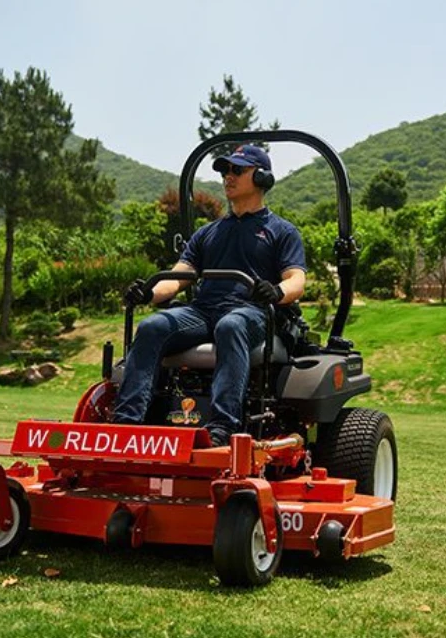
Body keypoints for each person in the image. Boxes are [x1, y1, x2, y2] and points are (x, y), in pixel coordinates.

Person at [113, 144, 307, 447]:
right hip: (203, 311)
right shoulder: (208, 233)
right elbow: (178, 278)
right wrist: (148, 293)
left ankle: (221, 431)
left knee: (230, 325)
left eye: (237, 170)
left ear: (262, 178)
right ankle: (126, 424)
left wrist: (276, 291)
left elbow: (296, 280)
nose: (227, 176)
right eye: (224, 170)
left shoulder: (281, 231)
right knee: (152, 327)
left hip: (252, 311)